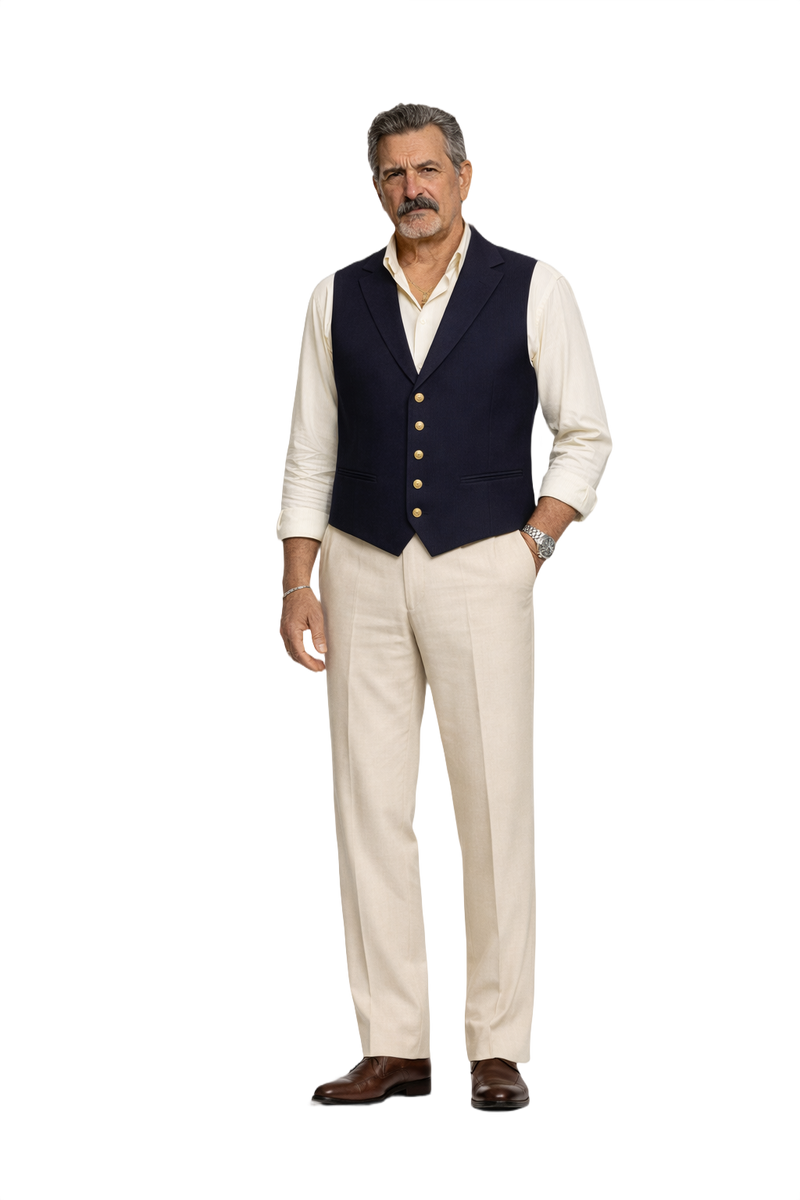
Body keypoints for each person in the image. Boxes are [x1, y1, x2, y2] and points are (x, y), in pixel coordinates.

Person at [275, 101, 615, 1116]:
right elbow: (307, 454)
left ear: (465, 178)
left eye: (428, 169)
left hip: (484, 565)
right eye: (393, 173)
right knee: (368, 806)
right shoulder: (332, 298)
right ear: (375, 188)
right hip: (357, 568)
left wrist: (532, 547)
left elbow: (586, 435)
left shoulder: (537, 286)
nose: (411, 188)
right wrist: (298, 581)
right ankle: (393, 1044)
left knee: (494, 803)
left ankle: (497, 1048)